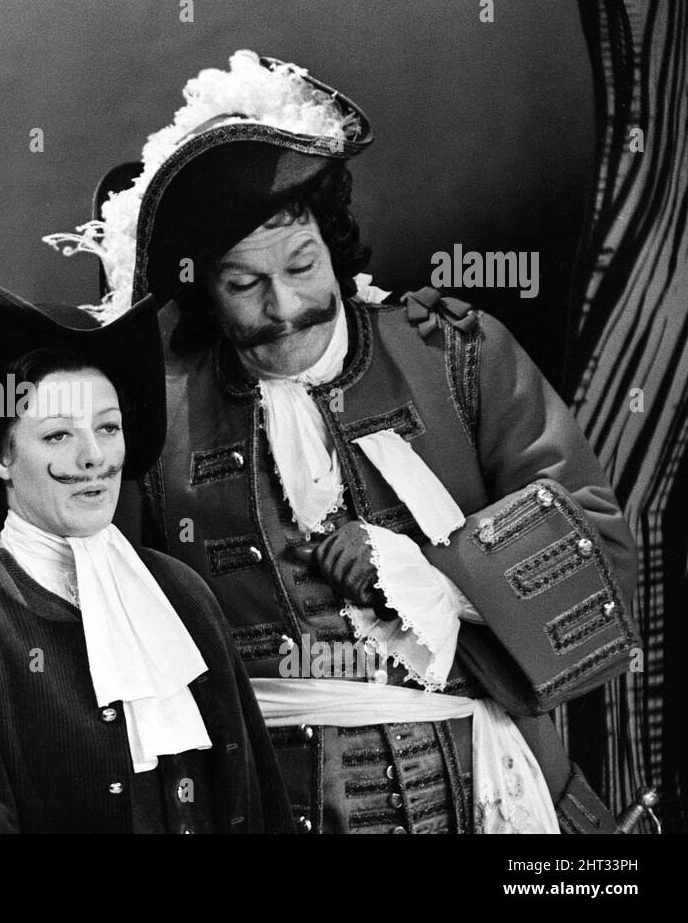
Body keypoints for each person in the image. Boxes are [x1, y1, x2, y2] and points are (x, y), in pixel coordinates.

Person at [45, 51, 640, 834]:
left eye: (302, 264)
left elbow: (601, 546)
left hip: (492, 785)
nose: (285, 305)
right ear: (204, 293)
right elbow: (102, 623)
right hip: (264, 800)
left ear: (336, 244)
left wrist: (437, 574)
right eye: (245, 283)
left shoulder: (455, 354)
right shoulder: (151, 411)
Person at [0, 279, 294, 833]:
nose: (93, 457)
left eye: (107, 427)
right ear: (1, 456)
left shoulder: (179, 591)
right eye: (57, 436)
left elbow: (261, 802)